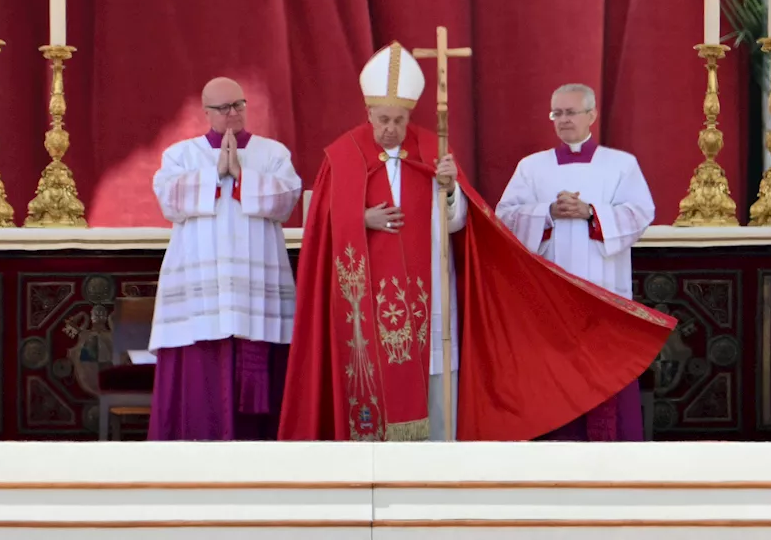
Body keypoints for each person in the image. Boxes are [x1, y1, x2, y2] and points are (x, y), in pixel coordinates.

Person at [279, 42, 676, 442]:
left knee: (439, 386)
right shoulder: (343, 155)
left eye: (398, 120)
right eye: (382, 119)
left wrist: (451, 191)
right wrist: (360, 218)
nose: (390, 129)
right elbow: (321, 224)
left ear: (592, 114)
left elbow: (462, 225)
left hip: (440, 290)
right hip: (366, 303)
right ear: (368, 113)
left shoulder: (434, 150)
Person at [496, 82, 655, 441]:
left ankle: (612, 453)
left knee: (606, 377)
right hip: (549, 296)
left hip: (604, 292)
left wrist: (590, 213)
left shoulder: (621, 165)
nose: (563, 120)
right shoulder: (531, 167)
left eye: (571, 112)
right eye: (557, 113)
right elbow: (504, 216)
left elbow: (640, 213)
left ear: (592, 115)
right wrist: (547, 213)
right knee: (554, 378)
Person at [148, 77, 302, 439]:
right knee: (201, 373)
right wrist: (216, 173)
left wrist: (243, 175)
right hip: (202, 289)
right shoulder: (181, 155)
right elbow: (169, 200)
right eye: (223, 108)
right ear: (206, 112)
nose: (233, 114)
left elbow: (286, 200)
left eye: (238, 105)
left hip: (256, 288)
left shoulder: (272, 153)